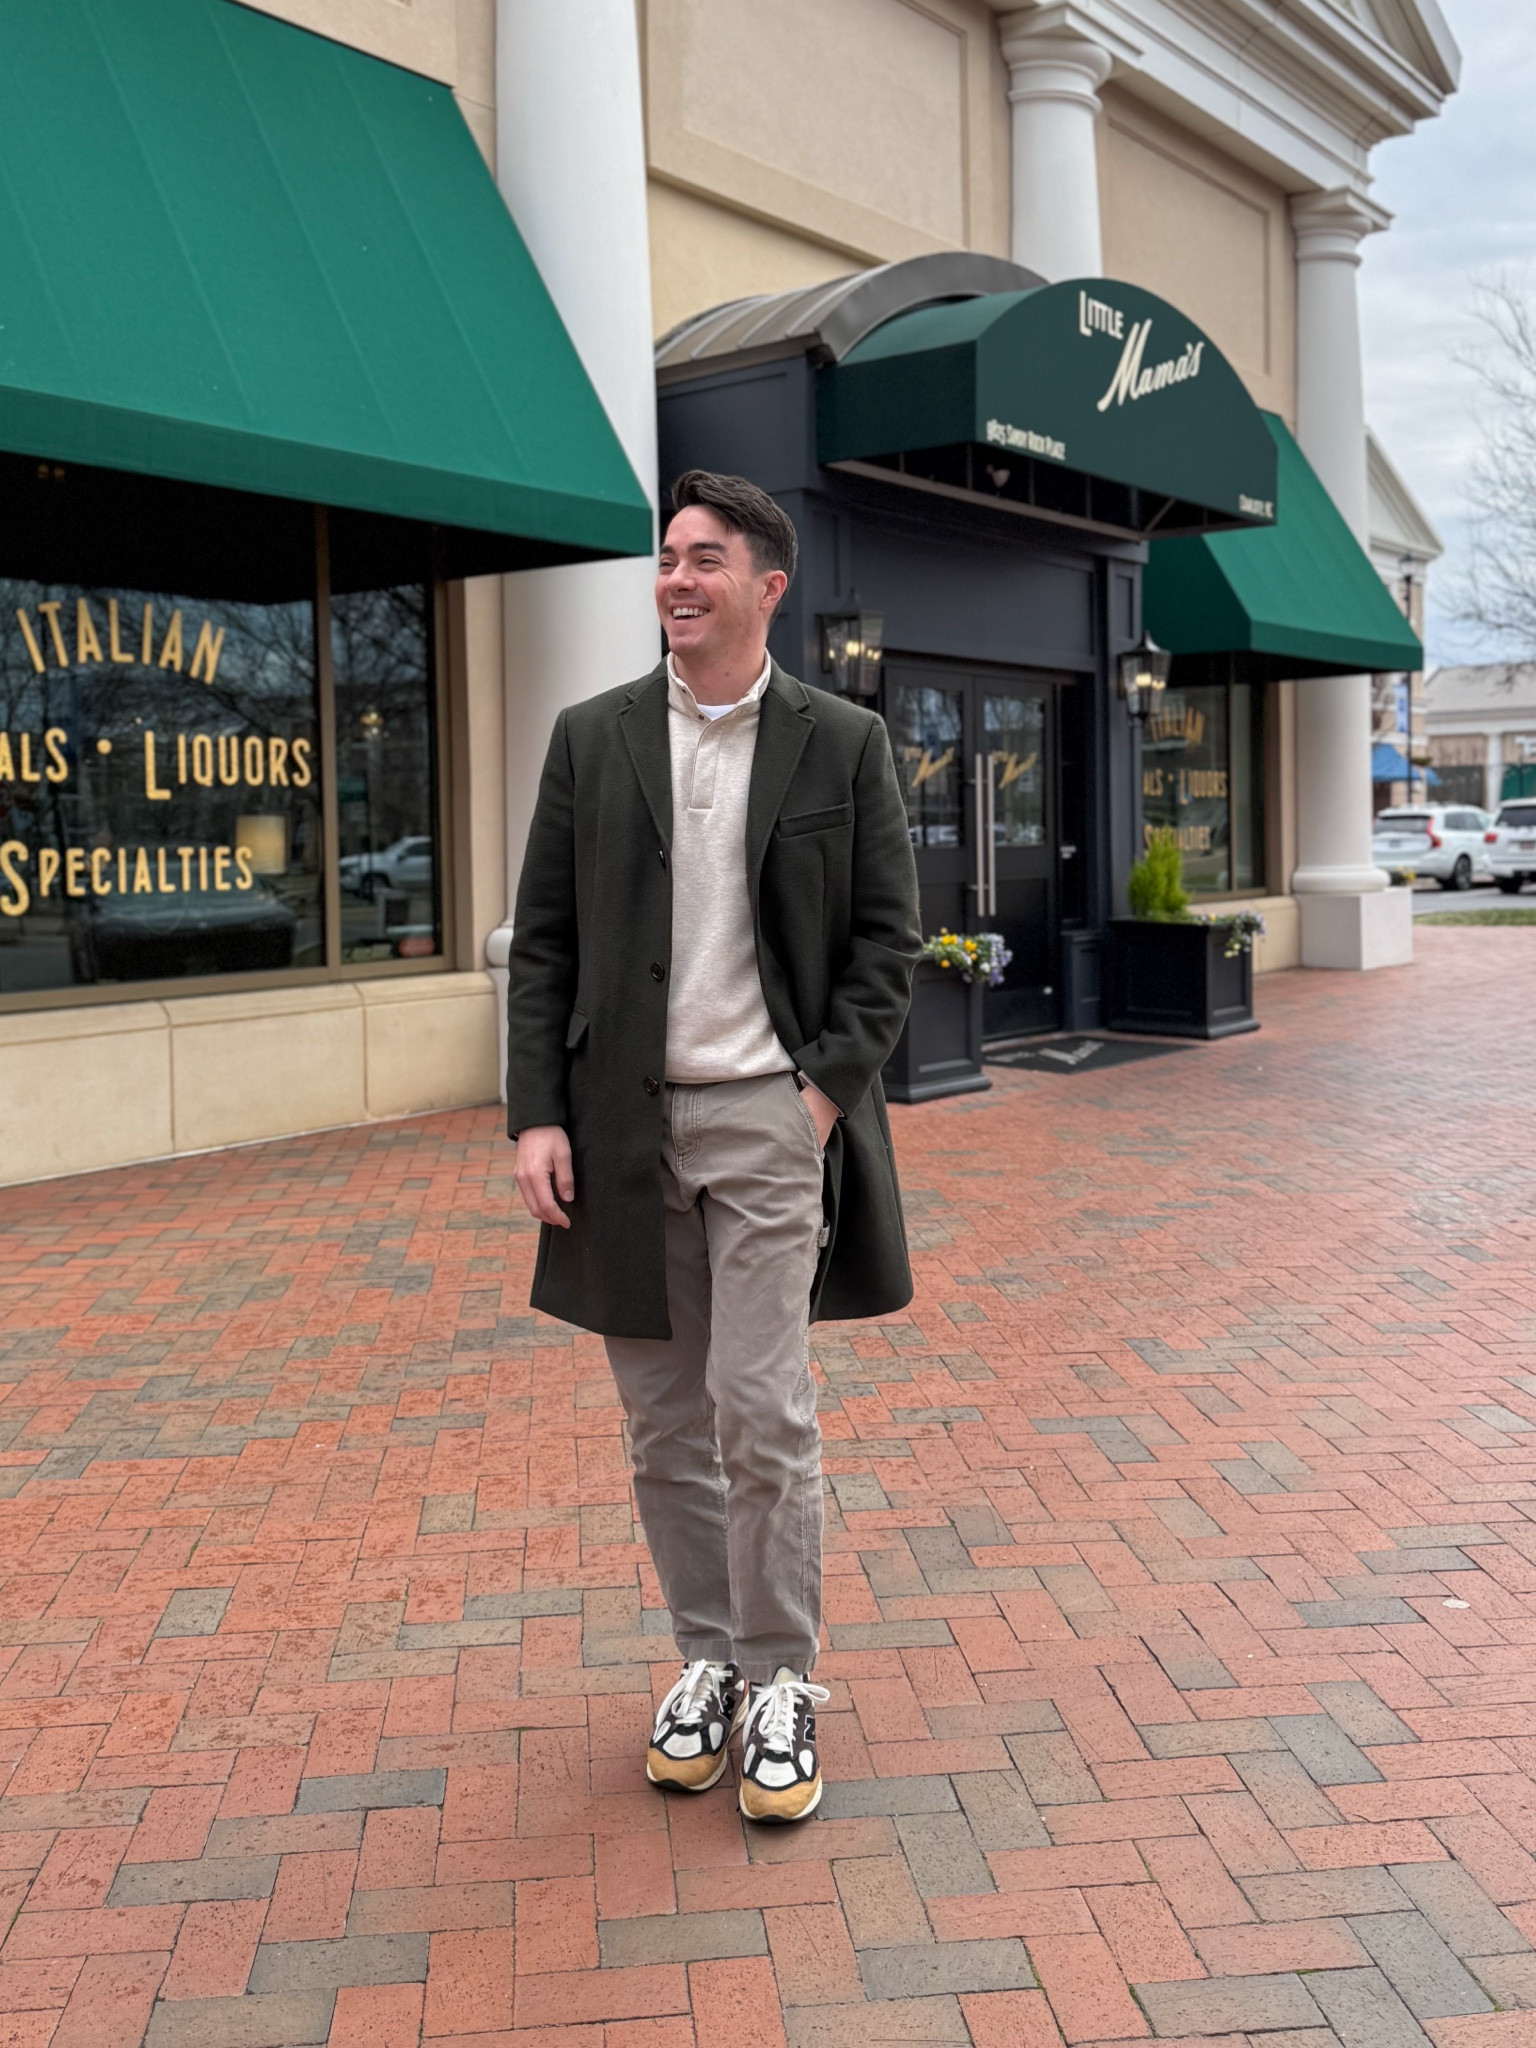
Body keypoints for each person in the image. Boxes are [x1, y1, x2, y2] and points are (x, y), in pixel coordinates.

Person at [507, 470, 919, 1822]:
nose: (675, 579)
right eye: (666, 558)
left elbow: (885, 948)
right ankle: (709, 1664)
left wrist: (815, 1101)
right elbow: (548, 946)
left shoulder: (842, 743)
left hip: (765, 1118)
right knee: (662, 1426)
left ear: (767, 587)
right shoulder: (593, 737)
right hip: (623, 1125)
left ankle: (784, 1676)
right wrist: (538, 1115)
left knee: (762, 1409)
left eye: (705, 559)